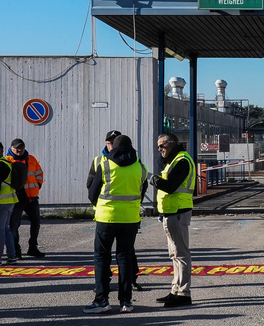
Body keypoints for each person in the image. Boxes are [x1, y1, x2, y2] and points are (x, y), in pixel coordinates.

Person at [84, 135, 148, 314]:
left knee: (102, 258)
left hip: (106, 218)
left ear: (114, 147)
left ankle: (102, 301)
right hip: (130, 218)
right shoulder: (140, 168)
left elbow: (92, 194)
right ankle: (126, 302)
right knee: (125, 258)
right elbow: (141, 194)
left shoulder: (105, 165)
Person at [151, 133, 195, 308]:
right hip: (170, 212)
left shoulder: (182, 161)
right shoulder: (174, 159)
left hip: (177, 211)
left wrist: (155, 180)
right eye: (158, 146)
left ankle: (183, 293)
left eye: (162, 145)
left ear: (173, 143)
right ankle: (175, 290)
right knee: (175, 254)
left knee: (181, 254)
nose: (160, 149)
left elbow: (170, 186)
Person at [6, 138, 45, 258]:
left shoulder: (31, 159)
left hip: (32, 197)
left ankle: (32, 248)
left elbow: (39, 173)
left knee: (36, 223)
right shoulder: (7, 161)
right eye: (17, 147)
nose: (19, 149)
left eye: (21, 147)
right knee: (14, 225)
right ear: (11, 148)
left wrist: (38, 185)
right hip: (16, 198)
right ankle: (16, 250)